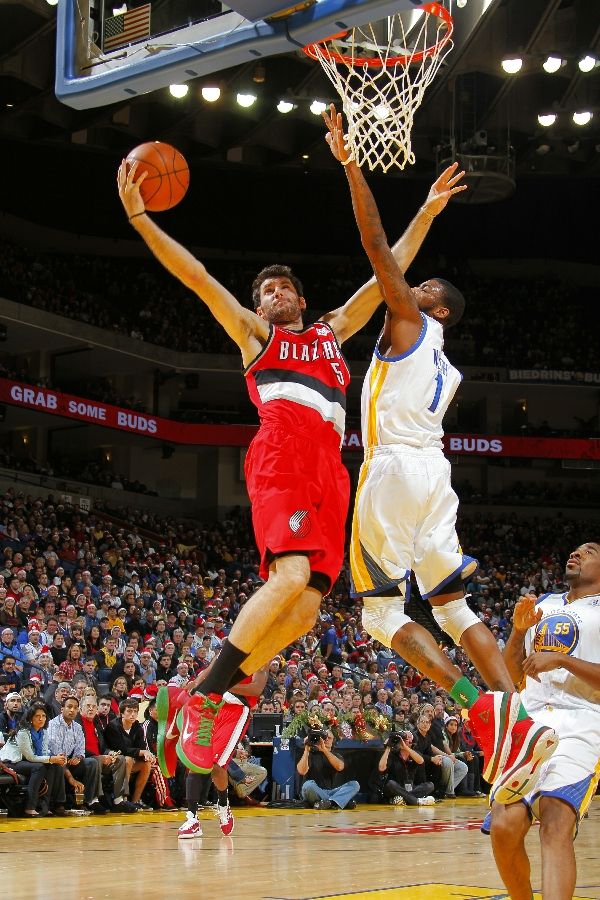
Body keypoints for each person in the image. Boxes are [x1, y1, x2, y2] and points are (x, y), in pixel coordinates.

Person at [117, 123, 464, 776]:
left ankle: (210, 689)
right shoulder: (255, 337)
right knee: (292, 578)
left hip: (332, 475)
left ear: (302, 301)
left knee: (304, 613)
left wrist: (427, 210)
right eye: (264, 292)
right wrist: (141, 220)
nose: (272, 295)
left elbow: (388, 268)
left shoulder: (332, 330)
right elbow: (197, 278)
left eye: (282, 290)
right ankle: (205, 696)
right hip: (280, 455)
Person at [323, 106, 557, 801]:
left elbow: (374, 245)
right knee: (455, 609)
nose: (411, 282)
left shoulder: (410, 319)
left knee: (379, 616)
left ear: (438, 308)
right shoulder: (445, 364)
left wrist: (350, 165)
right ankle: (524, 715)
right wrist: (426, 208)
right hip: (436, 477)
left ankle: (478, 706)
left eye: (422, 285)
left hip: (392, 470)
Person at [486, 542, 600, 900]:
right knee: (505, 826)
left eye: (591, 551)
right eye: (576, 550)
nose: (578, 554)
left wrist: (563, 661)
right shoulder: (542, 605)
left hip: (581, 722)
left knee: (555, 823)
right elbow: (507, 674)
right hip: (530, 722)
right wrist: (519, 632)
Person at [176, 660, 268, 839]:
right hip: (211, 706)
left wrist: (226, 685)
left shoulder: (261, 657)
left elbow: (256, 689)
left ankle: (223, 806)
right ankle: (192, 818)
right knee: (196, 761)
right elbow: (209, 672)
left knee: (217, 765)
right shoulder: (229, 649)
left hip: (236, 710)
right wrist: (195, 684)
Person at [0, 701, 67, 816]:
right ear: (31, 718)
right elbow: (30, 757)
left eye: (44, 716)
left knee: (54, 767)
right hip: (12, 761)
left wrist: (56, 758)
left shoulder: (44, 732)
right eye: (37, 716)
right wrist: (51, 758)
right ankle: (30, 807)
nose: (41, 719)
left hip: (27, 761)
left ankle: (45, 806)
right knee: (40, 767)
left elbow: (45, 753)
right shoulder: (23, 732)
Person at [47, 695, 105, 814]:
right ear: (62, 709)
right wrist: (71, 778)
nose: (72, 710)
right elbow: (55, 752)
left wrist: (78, 758)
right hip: (54, 760)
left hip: (69, 760)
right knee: (58, 764)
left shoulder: (77, 727)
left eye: (75, 708)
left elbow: (80, 749)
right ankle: (59, 803)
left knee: (92, 762)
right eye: (69, 707)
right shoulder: (53, 724)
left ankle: (86, 801)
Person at [78, 695, 136, 812]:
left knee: (120, 759)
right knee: (96, 760)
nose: (91, 709)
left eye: (93, 706)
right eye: (88, 706)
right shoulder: (78, 724)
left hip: (100, 758)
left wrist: (110, 753)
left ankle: (119, 800)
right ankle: (94, 800)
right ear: (81, 708)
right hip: (85, 759)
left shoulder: (96, 724)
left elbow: (103, 746)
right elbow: (78, 748)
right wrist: (101, 756)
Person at [104, 698, 154, 810]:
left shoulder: (137, 726)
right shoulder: (113, 727)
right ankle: (122, 799)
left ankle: (136, 800)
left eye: (135, 711)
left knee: (146, 764)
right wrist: (142, 752)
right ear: (122, 713)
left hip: (129, 761)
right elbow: (121, 749)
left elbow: (141, 747)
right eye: (129, 711)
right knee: (128, 759)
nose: (133, 714)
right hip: (112, 761)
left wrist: (148, 755)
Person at [296, 727, 359, 810]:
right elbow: (301, 771)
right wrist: (307, 749)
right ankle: (337, 802)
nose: (326, 740)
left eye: (329, 738)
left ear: (333, 741)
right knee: (308, 785)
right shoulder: (309, 754)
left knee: (354, 785)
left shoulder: (336, 755)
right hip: (313, 791)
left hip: (331, 791)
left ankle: (329, 803)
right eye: (324, 737)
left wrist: (324, 750)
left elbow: (340, 767)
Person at [370, 729, 435, 806]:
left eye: (408, 737)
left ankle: (402, 799)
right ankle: (416, 801)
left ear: (412, 741)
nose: (405, 739)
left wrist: (406, 747)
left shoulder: (414, 753)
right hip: (395, 788)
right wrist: (388, 747)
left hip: (409, 788)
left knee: (430, 785)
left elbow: (421, 761)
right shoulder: (393, 754)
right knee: (391, 784)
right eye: (404, 737)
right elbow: (381, 768)